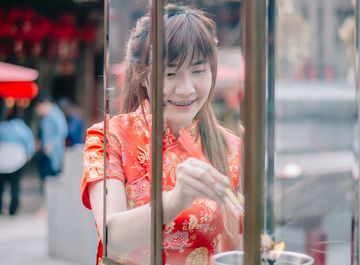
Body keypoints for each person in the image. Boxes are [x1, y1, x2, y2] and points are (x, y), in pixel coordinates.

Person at [81, 4, 242, 265]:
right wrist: (177, 199)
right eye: (170, 74)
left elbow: (233, 250)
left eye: (198, 70)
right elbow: (112, 236)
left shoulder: (232, 148)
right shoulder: (109, 138)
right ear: (143, 76)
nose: (186, 89)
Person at [0, 98, 35, 215]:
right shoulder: (23, 128)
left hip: (3, 160)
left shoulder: (2, 127)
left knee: (1, 187)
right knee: (15, 186)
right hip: (17, 159)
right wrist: (28, 156)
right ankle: (13, 210)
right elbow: (30, 145)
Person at [31, 93, 68, 193]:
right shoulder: (47, 116)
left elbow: (63, 131)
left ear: (45, 104)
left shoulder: (55, 114)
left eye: (39, 107)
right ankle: (46, 206)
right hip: (46, 152)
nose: (38, 111)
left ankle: (47, 206)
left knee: (49, 181)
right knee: (45, 180)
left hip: (52, 154)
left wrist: (51, 144)